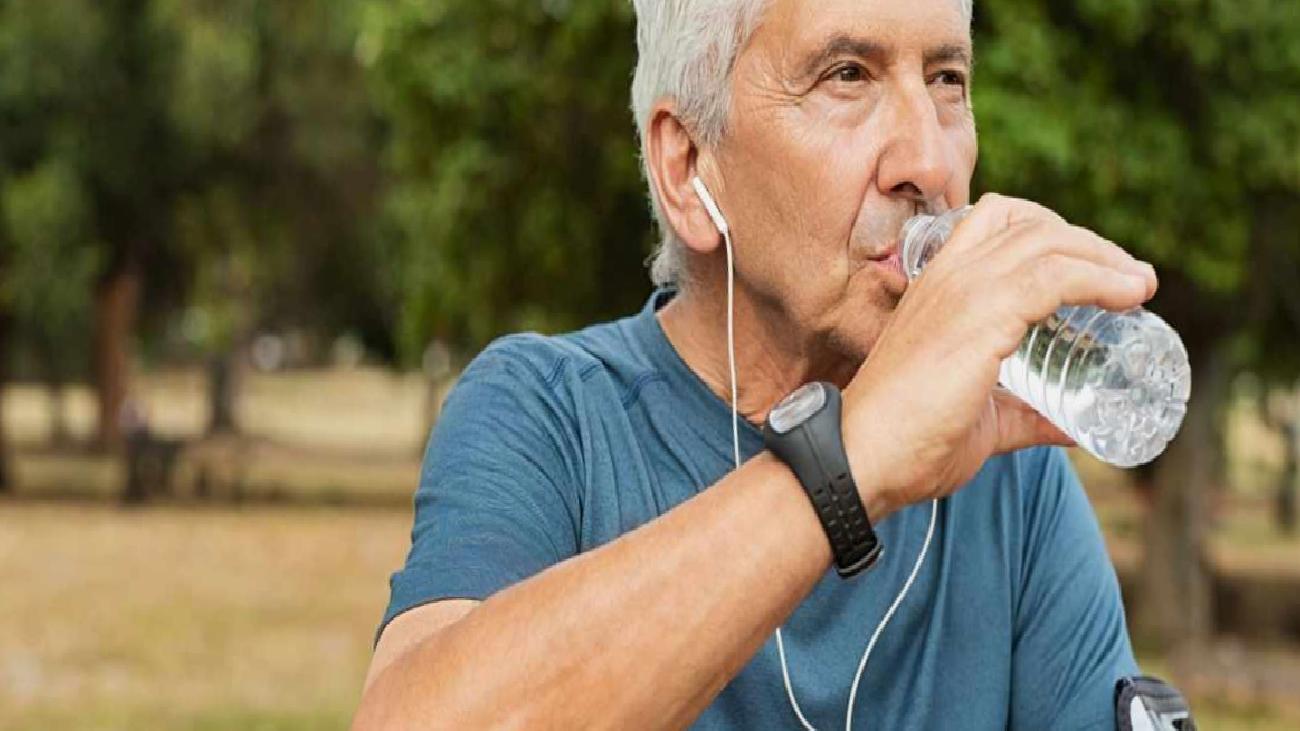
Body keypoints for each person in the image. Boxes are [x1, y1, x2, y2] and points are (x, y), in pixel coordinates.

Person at [353, 0, 1167, 727]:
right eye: (848, 75)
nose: (929, 160)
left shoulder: (1006, 474)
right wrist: (851, 460)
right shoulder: (551, 416)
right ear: (688, 167)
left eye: (946, 79)